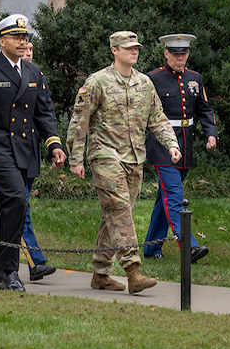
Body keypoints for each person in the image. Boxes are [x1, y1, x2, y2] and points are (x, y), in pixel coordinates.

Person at [67, 31, 181, 294]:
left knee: (116, 216)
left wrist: (171, 144)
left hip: (134, 158)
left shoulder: (144, 83)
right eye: (128, 48)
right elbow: (79, 121)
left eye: (136, 48)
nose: (134, 51)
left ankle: (100, 273)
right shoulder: (97, 82)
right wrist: (76, 158)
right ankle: (133, 271)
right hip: (105, 156)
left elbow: (157, 118)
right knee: (120, 210)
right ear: (114, 50)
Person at [0, 14, 66, 291]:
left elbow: (43, 113)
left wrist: (54, 144)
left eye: (26, 38)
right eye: (17, 38)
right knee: (17, 200)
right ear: (2, 41)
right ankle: (10, 271)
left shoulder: (33, 72)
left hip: (23, 149)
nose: (24, 42)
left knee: (8, 208)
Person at [143, 33, 218, 263]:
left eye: (183, 54)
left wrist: (211, 133)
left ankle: (151, 248)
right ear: (166, 53)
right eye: (175, 53)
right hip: (162, 146)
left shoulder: (195, 78)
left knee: (164, 198)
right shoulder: (153, 78)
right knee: (174, 197)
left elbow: (204, 109)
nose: (179, 58)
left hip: (185, 144)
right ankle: (190, 247)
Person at [19, 37, 55, 281]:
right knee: (20, 206)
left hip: (30, 149)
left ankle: (2, 257)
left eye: (32, 49)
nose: (29, 53)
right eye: (25, 49)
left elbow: (46, 112)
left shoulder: (37, 75)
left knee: (16, 207)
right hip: (9, 150)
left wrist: (54, 145)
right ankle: (36, 260)